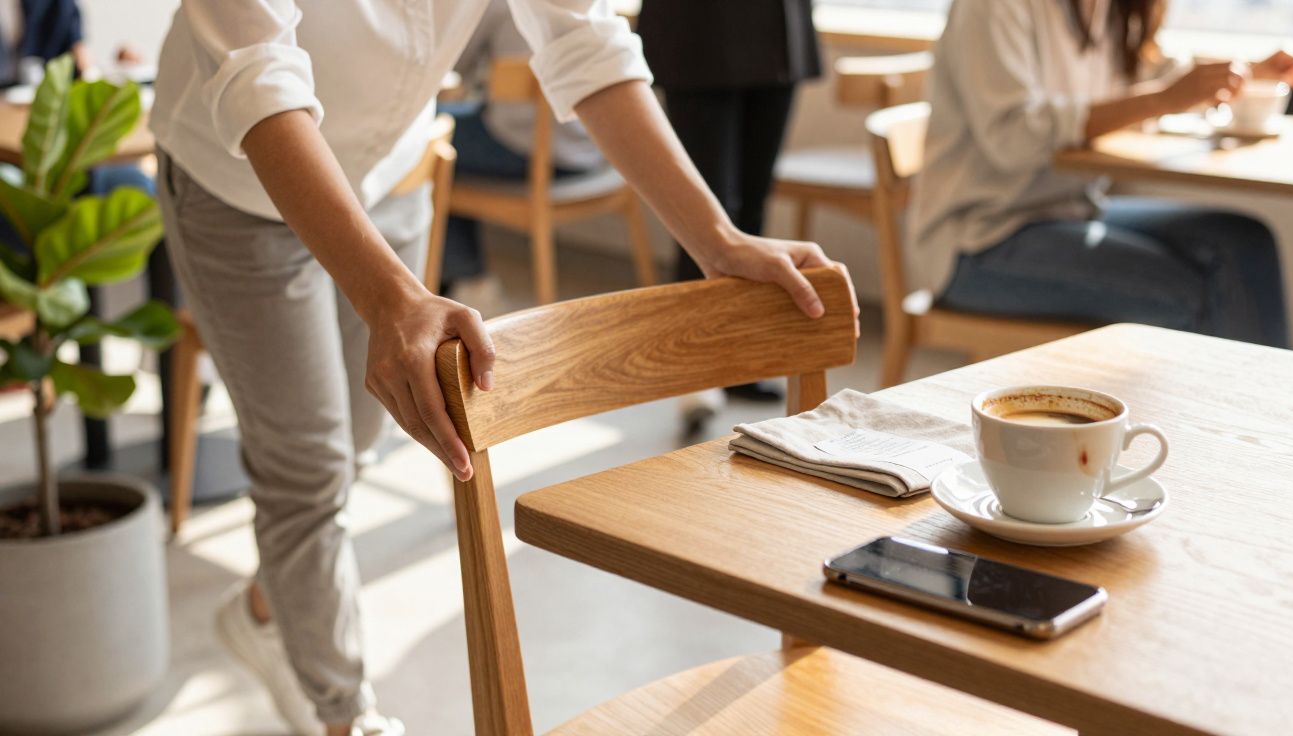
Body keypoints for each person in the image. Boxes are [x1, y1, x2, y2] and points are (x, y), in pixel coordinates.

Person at [149, 2, 854, 735]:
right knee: (308, 467)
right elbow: (256, 72)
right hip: (237, 180)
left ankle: (269, 606)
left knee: (359, 445)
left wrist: (717, 240)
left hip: (391, 171)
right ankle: (342, 713)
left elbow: (585, 40)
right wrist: (392, 299)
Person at [909, 0, 1293, 348]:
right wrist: (1163, 98)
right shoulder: (995, 6)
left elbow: (1150, 74)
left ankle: (1274, 426)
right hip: (978, 240)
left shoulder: (1105, 8)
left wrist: (1250, 71)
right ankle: (1228, 431)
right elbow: (1011, 138)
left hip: (1067, 210)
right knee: (1195, 294)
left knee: (1245, 239)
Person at [639, 0, 822, 426]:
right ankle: (696, 367)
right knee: (702, 214)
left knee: (753, 208)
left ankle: (738, 358)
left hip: (777, 28)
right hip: (700, 32)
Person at [438, 0, 607, 299]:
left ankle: (469, 279)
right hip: (597, 148)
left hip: (529, 147)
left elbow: (451, 62)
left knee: (431, 142)